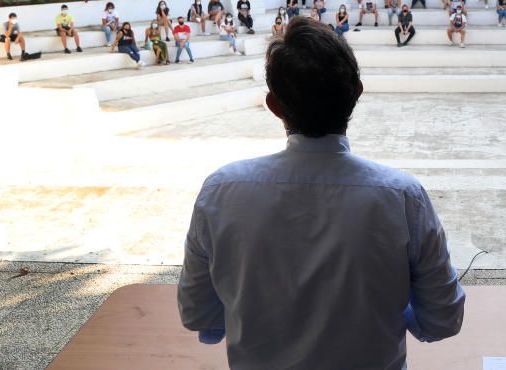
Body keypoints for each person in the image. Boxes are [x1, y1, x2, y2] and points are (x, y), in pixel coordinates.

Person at [178, 19, 464, 367]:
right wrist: (382, 307)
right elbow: (443, 319)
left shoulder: (221, 191)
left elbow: (197, 315)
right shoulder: (403, 197)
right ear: (357, 92)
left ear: (274, 105)